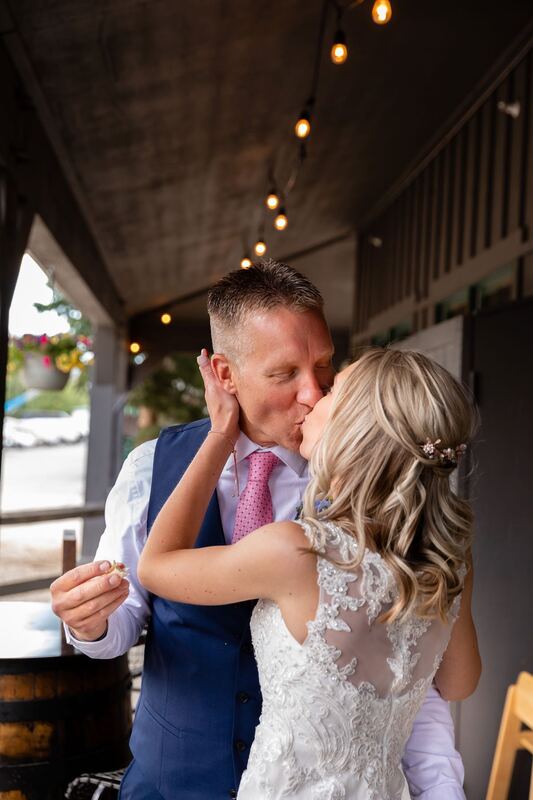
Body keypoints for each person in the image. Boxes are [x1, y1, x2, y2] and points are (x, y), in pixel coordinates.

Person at [51, 261, 475, 799]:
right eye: (284, 374)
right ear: (225, 375)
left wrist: (441, 788)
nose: (313, 393)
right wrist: (89, 624)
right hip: (171, 782)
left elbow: (414, 675)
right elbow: (125, 617)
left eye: (324, 366)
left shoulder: (372, 492)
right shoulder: (149, 468)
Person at [138, 345, 481, 799]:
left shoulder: (296, 551)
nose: (313, 397)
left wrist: (221, 434)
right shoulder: (448, 561)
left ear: (354, 429)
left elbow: (157, 565)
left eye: (333, 389)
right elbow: (459, 682)